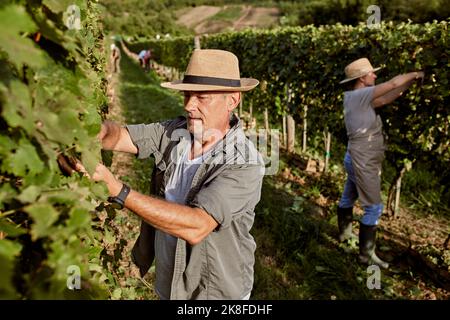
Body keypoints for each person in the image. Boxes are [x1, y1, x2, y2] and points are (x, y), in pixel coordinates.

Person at [79, 49, 263, 299]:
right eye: (187, 94)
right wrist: (90, 131)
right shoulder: (174, 132)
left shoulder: (244, 162)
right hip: (170, 285)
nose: (189, 105)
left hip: (212, 293)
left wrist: (120, 191)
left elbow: (197, 225)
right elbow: (121, 136)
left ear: (232, 100)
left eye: (201, 97)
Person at [337, 57, 424, 269]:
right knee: (374, 208)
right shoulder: (360, 94)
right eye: (372, 73)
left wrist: (409, 84)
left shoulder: (356, 97)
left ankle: (345, 236)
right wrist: (415, 74)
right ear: (362, 78)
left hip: (355, 156)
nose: (375, 76)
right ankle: (366, 257)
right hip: (363, 159)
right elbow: (392, 84)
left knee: (349, 195)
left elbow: (387, 98)